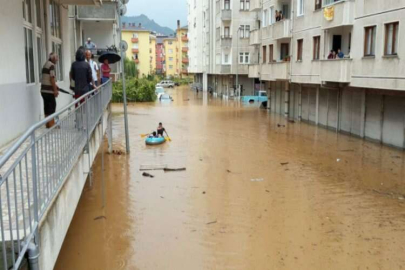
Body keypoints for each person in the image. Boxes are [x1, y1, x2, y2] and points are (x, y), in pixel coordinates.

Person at [41, 52, 59, 128]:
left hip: (43, 90)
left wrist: (55, 86)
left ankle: (47, 124)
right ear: (53, 58)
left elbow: (48, 78)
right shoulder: (51, 65)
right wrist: (55, 90)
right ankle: (51, 124)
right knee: (52, 106)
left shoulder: (45, 64)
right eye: (56, 58)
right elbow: (52, 78)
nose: (57, 60)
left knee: (46, 107)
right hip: (49, 91)